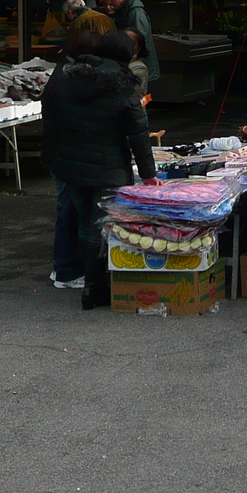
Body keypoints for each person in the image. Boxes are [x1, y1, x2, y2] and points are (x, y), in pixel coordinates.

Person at [41, 30, 158, 310]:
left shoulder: (70, 77)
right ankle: (95, 287)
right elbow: (138, 134)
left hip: (70, 164)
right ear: (126, 55)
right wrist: (148, 174)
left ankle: (90, 282)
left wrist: (55, 157)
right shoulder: (122, 85)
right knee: (102, 225)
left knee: (84, 222)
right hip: (108, 167)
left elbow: (51, 115)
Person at [103, 0, 160, 85]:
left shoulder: (135, 13)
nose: (110, 2)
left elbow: (138, 42)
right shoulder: (125, 11)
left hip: (139, 68)